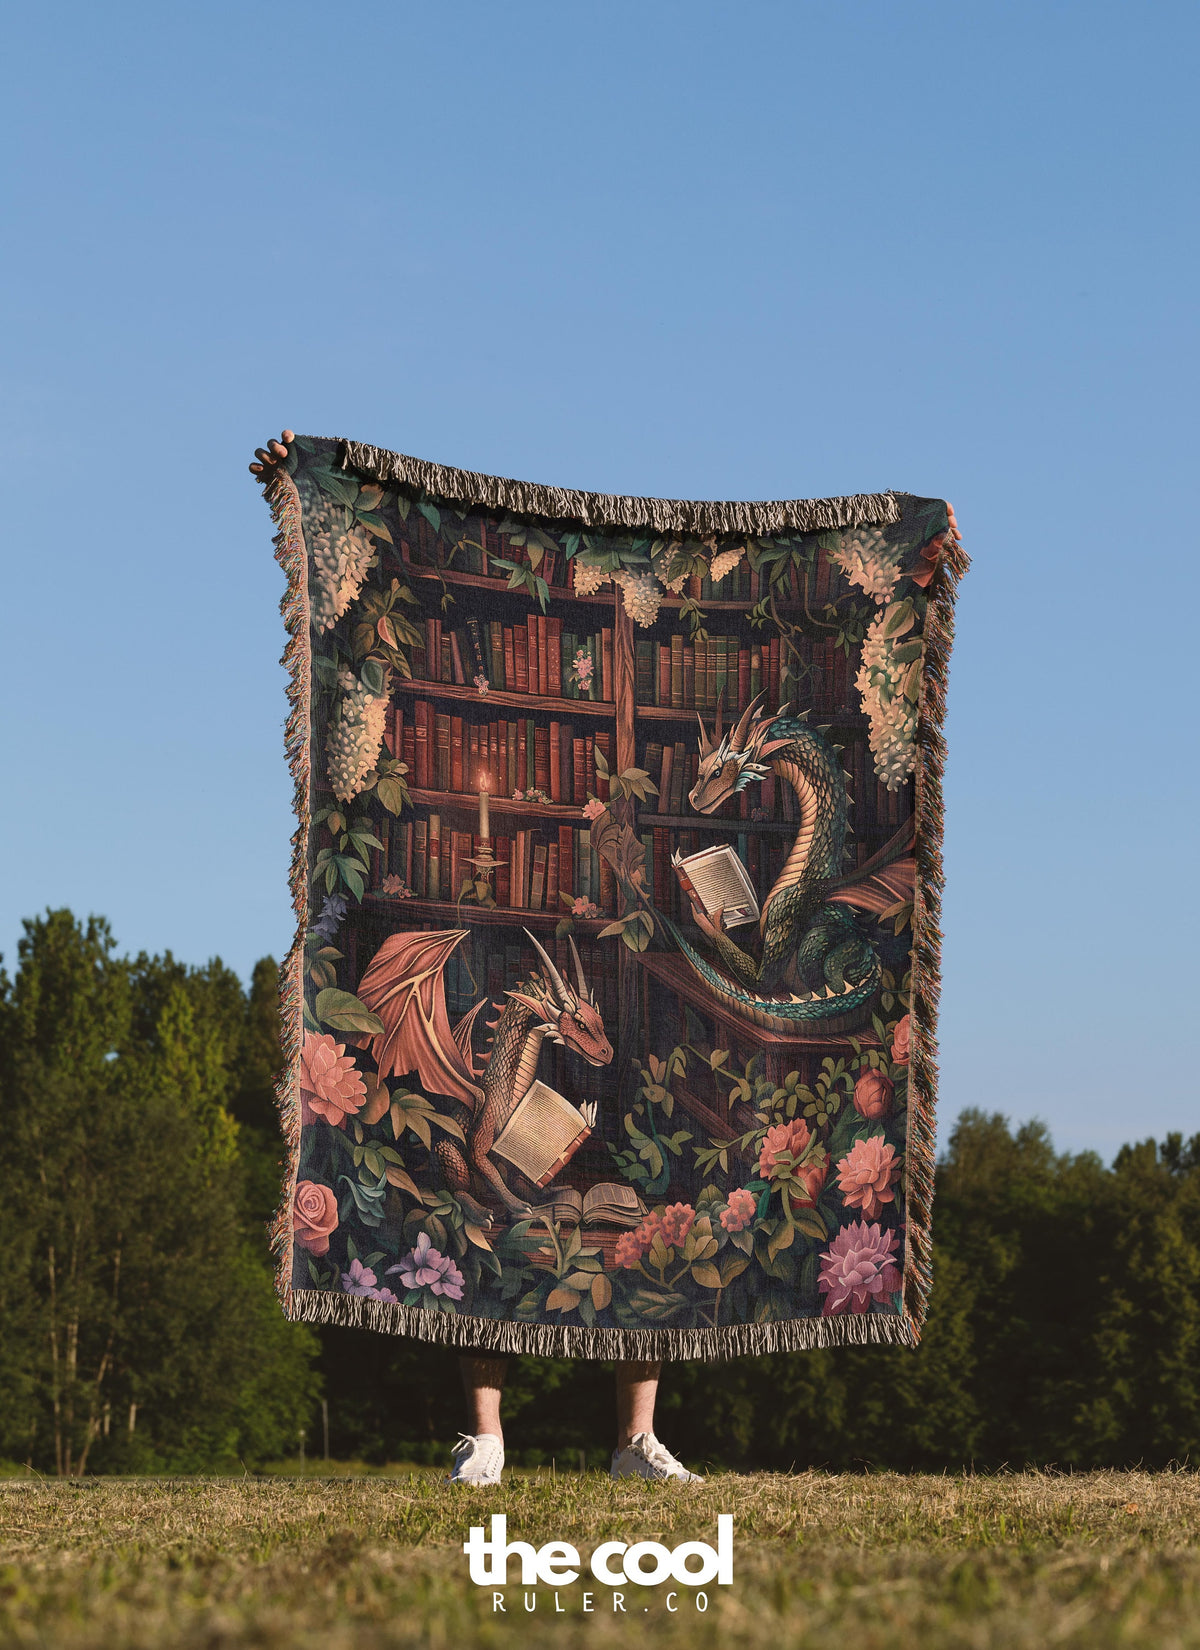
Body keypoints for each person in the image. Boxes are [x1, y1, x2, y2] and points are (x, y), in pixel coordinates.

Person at [252, 431, 702, 1486]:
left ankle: (636, 1436)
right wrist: (299, 470)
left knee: (633, 1208)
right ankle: (487, 1435)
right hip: (490, 1019)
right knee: (472, 1206)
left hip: (599, 1042)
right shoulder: (468, 854)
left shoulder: (605, 833)